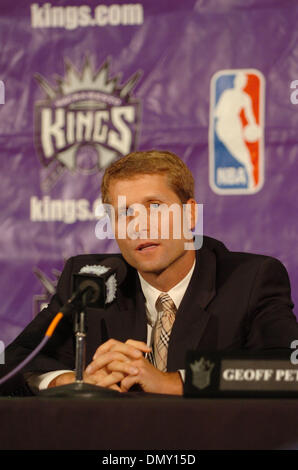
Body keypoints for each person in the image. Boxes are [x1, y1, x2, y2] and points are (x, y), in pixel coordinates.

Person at [0, 149, 298, 397]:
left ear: (190, 214)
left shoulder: (250, 279)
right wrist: (73, 381)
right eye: (125, 212)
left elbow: (288, 369)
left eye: (155, 207)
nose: (140, 225)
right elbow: (12, 363)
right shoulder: (92, 280)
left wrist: (173, 381)